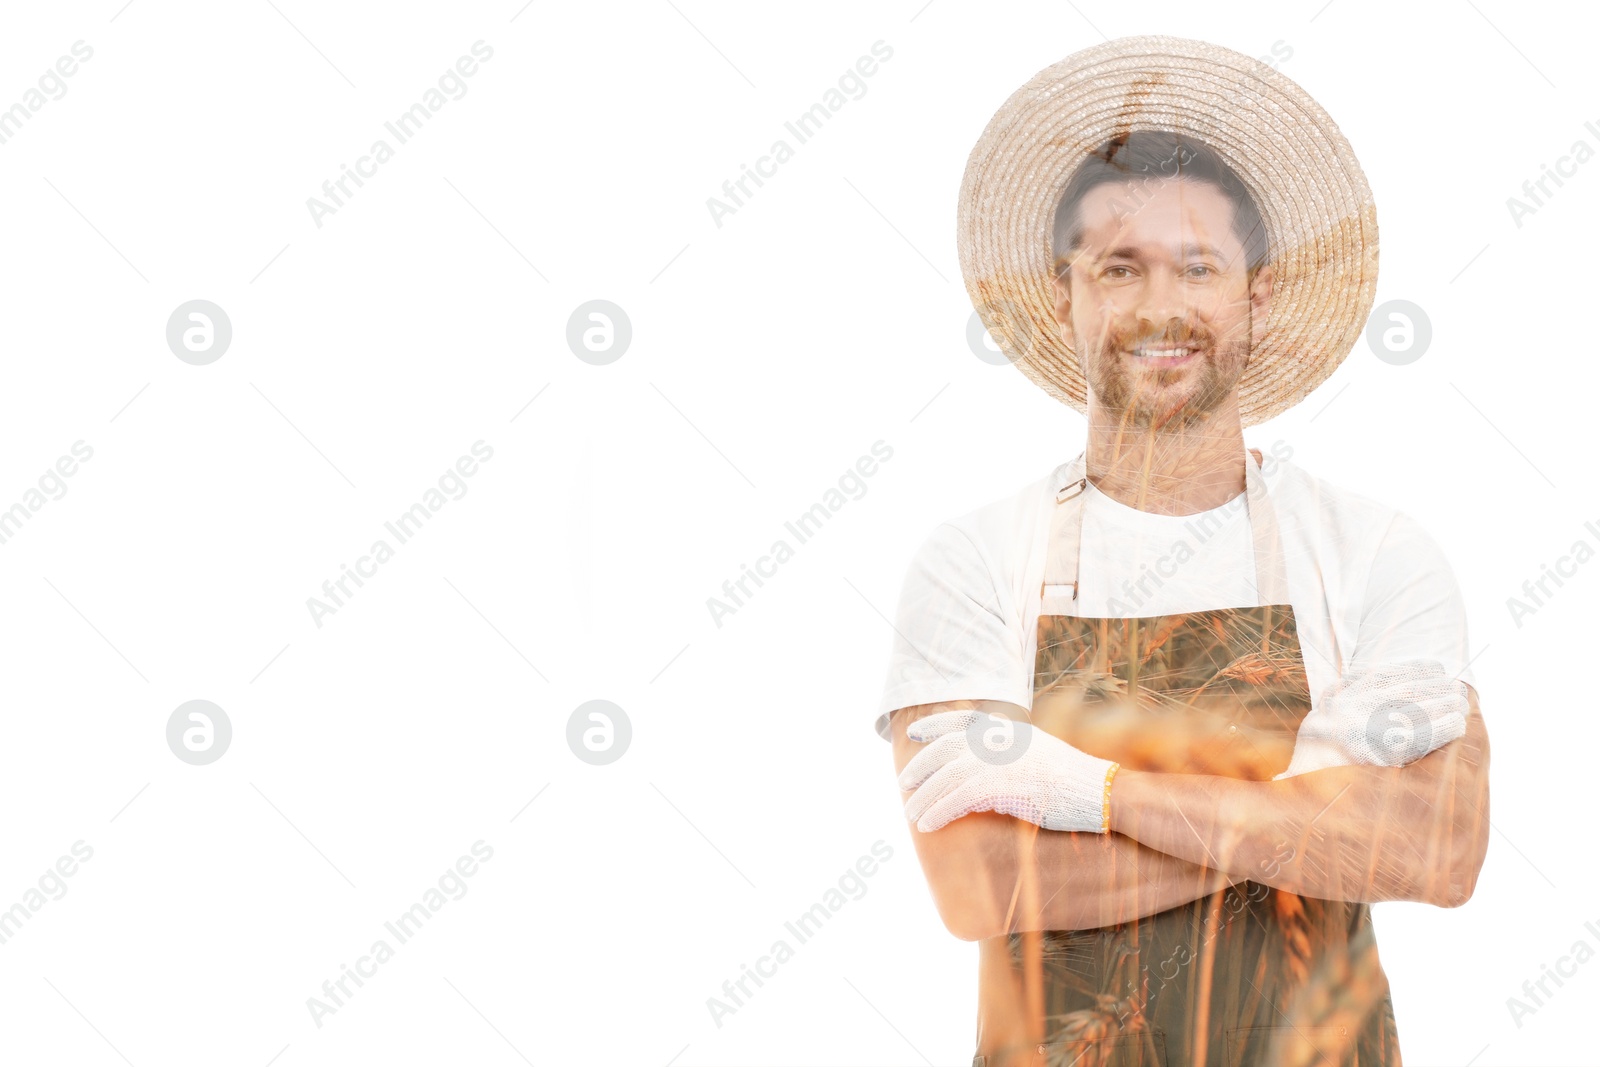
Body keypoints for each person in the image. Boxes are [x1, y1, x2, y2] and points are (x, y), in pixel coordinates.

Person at [876, 35, 1490, 1067]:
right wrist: (1310, 793)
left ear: (1254, 294)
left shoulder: (1375, 548)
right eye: (1119, 266)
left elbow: (1438, 850)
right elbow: (978, 882)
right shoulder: (975, 560)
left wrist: (1087, 794)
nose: (1159, 306)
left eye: (1196, 266)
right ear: (1063, 294)